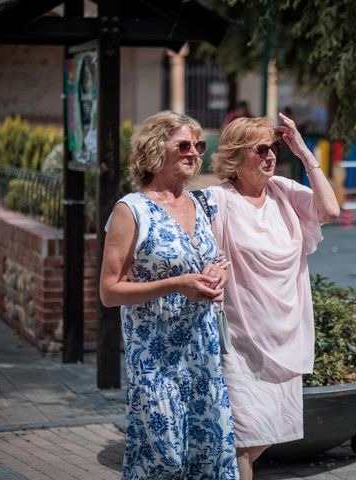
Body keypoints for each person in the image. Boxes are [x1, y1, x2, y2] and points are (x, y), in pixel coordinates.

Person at [99, 111, 239, 479]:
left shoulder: (202, 204)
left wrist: (217, 274)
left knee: (210, 454)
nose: (195, 153)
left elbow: (216, 259)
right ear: (154, 150)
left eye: (199, 145)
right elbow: (110, 291)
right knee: (164, 459)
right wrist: (177, 285)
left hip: (203, 356)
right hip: (155, 360)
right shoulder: (132, 210)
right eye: (184, 145)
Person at [205, 112, 340, 479]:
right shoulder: (218, 201)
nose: (270, 156)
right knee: (239, 443)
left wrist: (303, 152)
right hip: (239, 342)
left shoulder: (282, 190)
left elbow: (330, 210)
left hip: (286, 337)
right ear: (234, 156)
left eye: (273, 148)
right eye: (260, 149)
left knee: (260, 437)